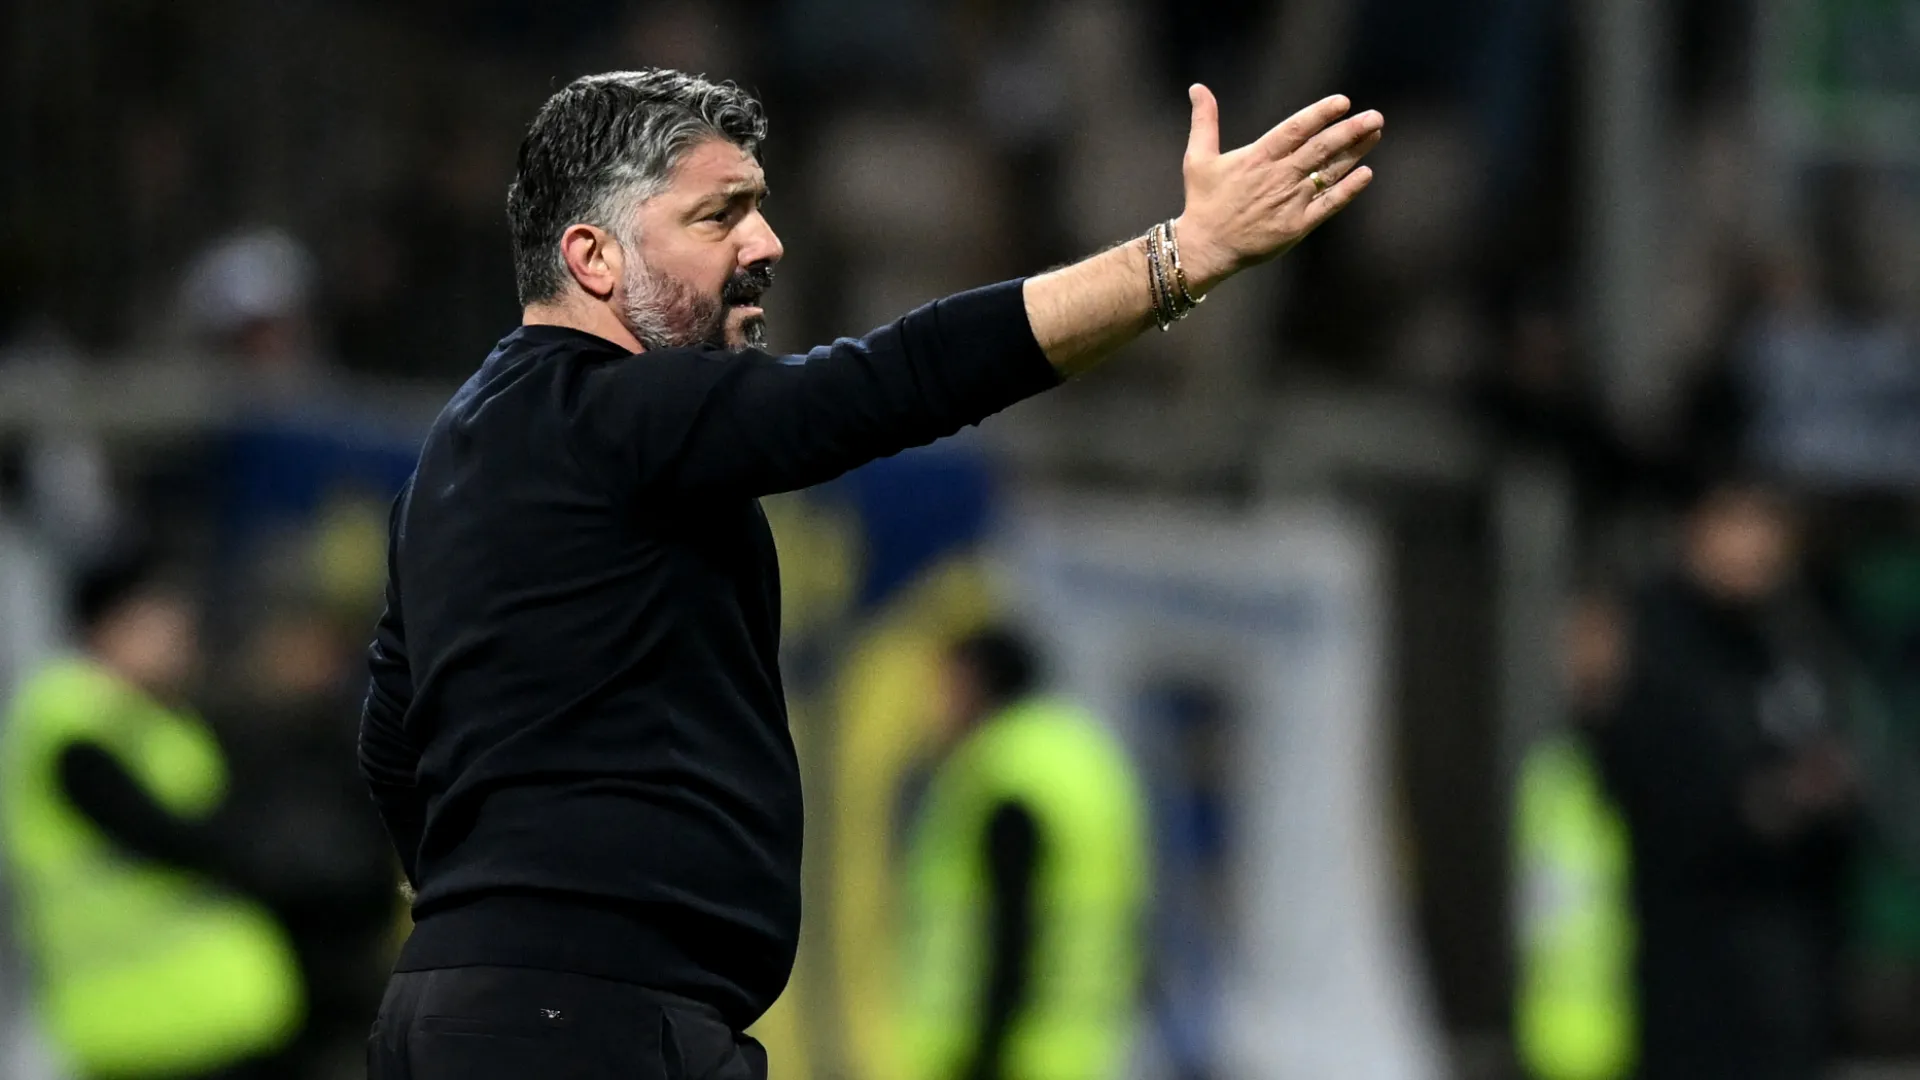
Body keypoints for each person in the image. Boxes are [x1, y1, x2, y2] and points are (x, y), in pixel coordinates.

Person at [359, 67, 1383, 1079]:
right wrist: (1177, 258)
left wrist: (480, 923)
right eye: (719, 216)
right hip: (585, 1021)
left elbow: (392, 743)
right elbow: (896, 379)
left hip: (476, 1006)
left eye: (758, 208)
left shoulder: (446, 468)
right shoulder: (620, 414)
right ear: (592, 256)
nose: (766, 244)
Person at [0, 544, 304, 1080]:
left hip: (211, 1012)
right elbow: (181, 840)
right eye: (158, 620)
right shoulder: (71, 723)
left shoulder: (156, 718)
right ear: (108, 626)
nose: (178, 635)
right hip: (142, 1026)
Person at [1596, 479, 1857, 1080]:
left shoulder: (1789, 639)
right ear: (1699, 528)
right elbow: (1658, 796)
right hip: (1692, 972)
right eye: (1741, 522)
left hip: (1790, 970)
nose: (1759, 545)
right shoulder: (1652, 639)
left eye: (1772, 526)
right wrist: (1765, 804)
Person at [898, 627, 1147, 1080]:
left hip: (1002, 1053)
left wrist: (983, 1055)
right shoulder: (1081, 756)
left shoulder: (1006, 771)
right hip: (1075, 1050)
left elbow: (1011, 927)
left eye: (945, 685)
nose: (934, 708)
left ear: (975, 682)